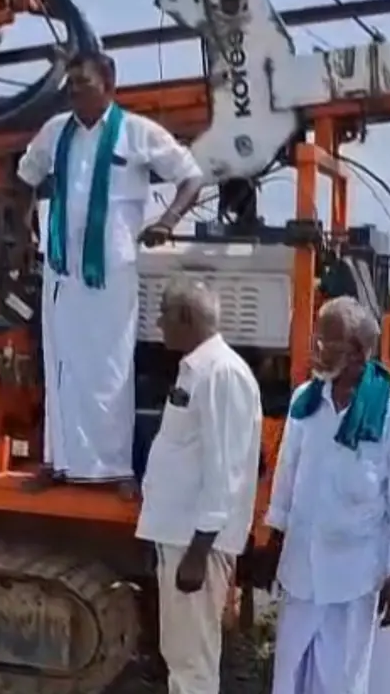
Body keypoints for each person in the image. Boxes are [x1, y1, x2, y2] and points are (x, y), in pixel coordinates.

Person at [12, 50, 204, 496]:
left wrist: (168, 221)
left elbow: (191, 177)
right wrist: (26, 229)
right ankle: (57, 463)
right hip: (61, 271)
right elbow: (24, 178)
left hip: (112, 270)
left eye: (84, 83)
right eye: (71, 84)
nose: (75, 91)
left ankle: (115, 469)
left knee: (110, 367)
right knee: (61, 366)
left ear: (110, 84)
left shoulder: (137, 132)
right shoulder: (55, 132)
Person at [265, 296, 390, 694]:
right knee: (290, 674)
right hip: (302, 567)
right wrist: (274, 539)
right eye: (316, 339)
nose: (316, 349)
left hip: (354, 573)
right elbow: (288, 473)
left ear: (357, 353)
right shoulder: (307, 400)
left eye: (327, 343)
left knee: (341, 680)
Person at [134, 277, 262, 694]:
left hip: (196, 544)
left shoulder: (221, 373)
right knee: (182, 656)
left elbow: (225, 470)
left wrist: (198, 552)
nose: (158, 323)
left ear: (186, 317)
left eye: (164, 314)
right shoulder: (198, 370)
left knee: (193, 663)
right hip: (182, 538)